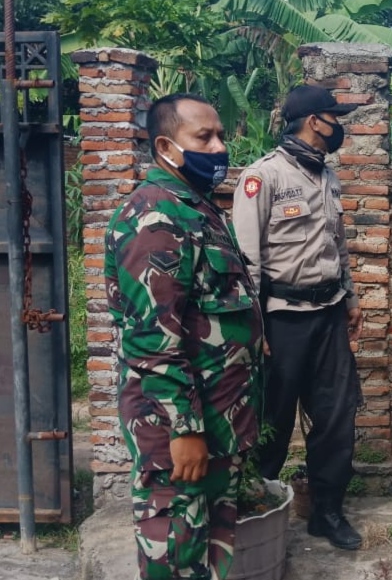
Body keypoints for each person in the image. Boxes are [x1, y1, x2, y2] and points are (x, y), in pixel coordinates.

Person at [104, 93, 264, 580]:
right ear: (166, 147)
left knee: (208, 550)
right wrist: (184, 430)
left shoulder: (196, 208)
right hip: (180, 426)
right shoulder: (155, 217)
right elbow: (152, 337)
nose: (218, 148)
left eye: (220, 136)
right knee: (176, 551)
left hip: (218, 414)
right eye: (203, 137)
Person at [232, 84, 364, 550]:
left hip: (328, 315)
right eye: (335, 116)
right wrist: (256, 327)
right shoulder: (262, 177)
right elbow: (246, 261)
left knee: (335, 417)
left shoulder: (327, 177)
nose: (339, 125)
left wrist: (350, 299)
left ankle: (327, 513)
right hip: (281, 321)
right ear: (314, 121)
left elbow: (337, 244)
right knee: (272, 421)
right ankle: (255, 515)